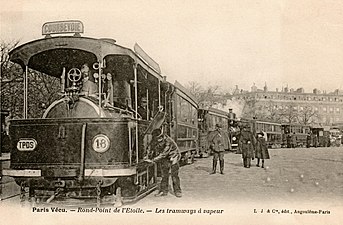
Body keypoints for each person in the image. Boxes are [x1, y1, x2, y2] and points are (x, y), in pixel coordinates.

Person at [145, 128, 182, 197]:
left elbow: (164, 154)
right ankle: (163, 191)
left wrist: (153, 160)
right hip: (165, 158)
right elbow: (150, 147)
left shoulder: (168, 141)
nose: (157, 141)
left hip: (174, 156)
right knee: (164, 175)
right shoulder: (155, 139)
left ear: (162, 137)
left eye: (159, 139)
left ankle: (177, 191)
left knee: (174, 175)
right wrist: (147, 156)